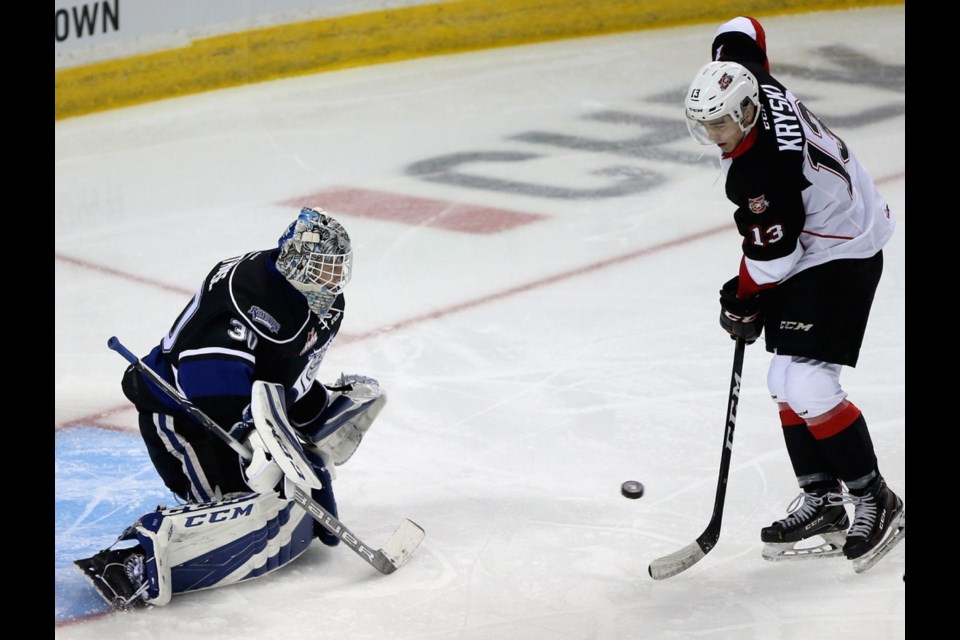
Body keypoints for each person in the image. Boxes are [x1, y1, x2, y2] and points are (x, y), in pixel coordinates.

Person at [75, 207, 387, 609]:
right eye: (324, 268)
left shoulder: (328, 307)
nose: (333, 279)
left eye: (337, 269)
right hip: (182, 413)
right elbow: (209, 379)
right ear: (297, 261)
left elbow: (290, 381)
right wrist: (258, 441)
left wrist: (311, 434)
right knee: (237, 501)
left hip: (240, 410)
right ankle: (128, 562)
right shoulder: (248, 288)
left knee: (279, 492)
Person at [682, 17, 904, 568]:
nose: (713, 135)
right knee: (784, 376)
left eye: (719, 124)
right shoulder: (751, 80)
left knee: (807, 379)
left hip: (844, 245)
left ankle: (877, 499)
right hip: (828, 224)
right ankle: (823, 499)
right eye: (703, 123)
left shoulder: (760, 171)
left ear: (745, 112)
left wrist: (741, 296)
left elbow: (773, 260)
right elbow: (743, 27)